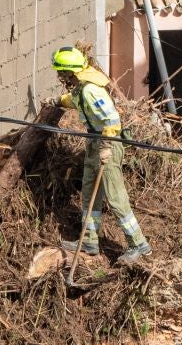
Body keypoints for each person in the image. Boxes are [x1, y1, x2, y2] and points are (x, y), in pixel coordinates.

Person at [52, 45, 151, 267]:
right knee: (89, 192)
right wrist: (57, 102)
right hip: (94, 142)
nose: (60, 76)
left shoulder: (90, 90)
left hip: (107, 143)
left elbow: (112, 120)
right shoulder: (80, 89)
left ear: (70, 72)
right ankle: (89, 241)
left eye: (61, 72)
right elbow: (73, 99)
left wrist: (106, 146)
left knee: (115, 197)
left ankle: (138, 244)